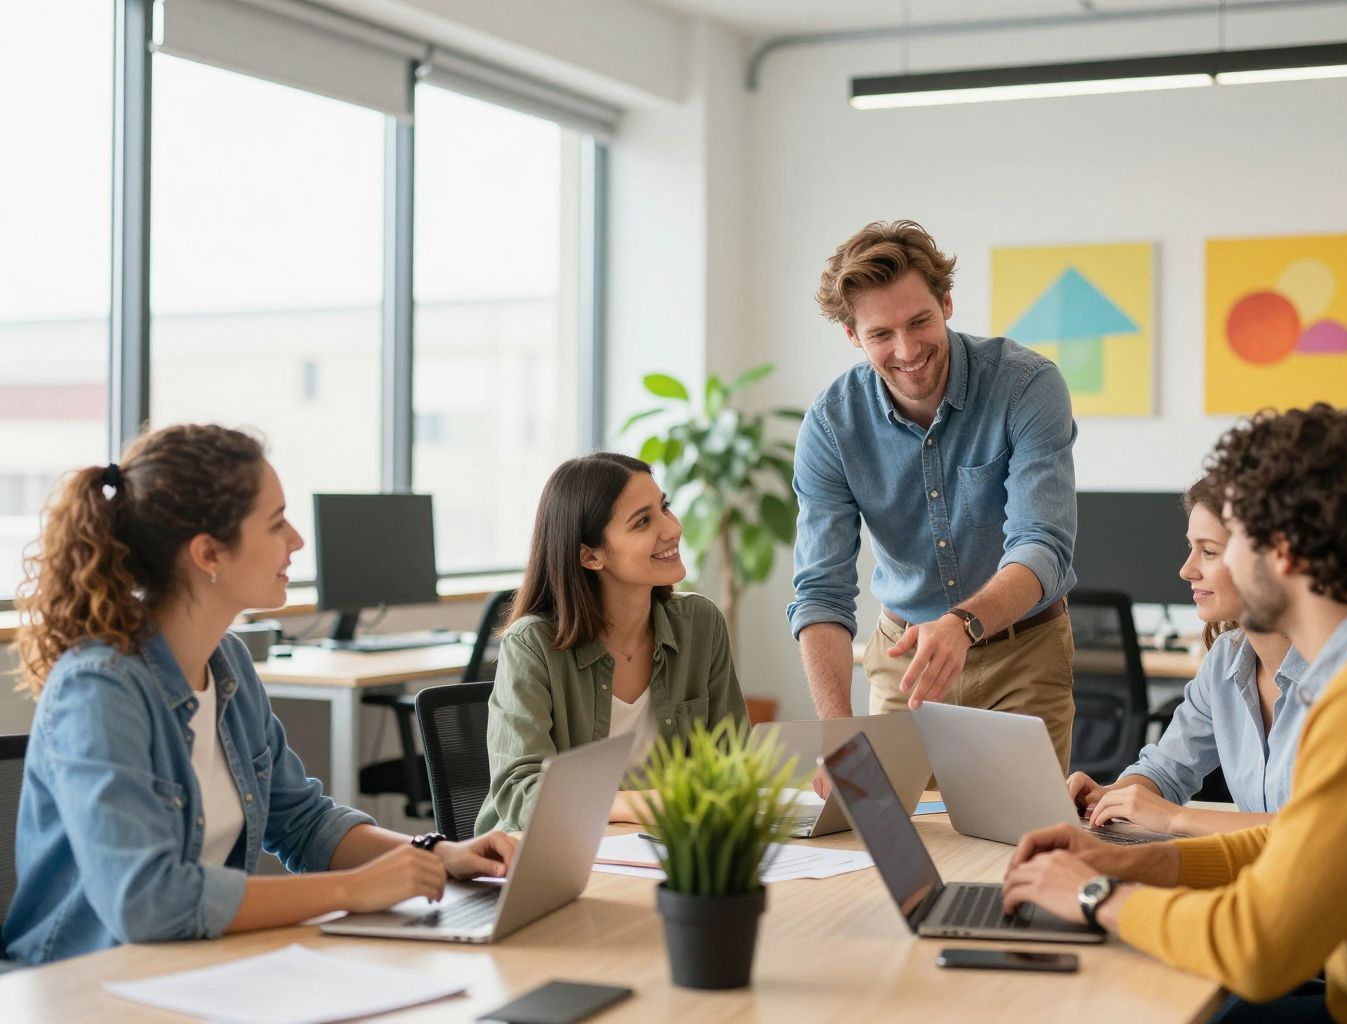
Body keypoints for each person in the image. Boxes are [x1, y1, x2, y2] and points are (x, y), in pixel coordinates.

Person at [1001, 405, 1347, 1023]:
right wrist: (1128, 860)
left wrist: (1093, 894)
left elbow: (1256, 948)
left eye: (1232, 541)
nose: (1201, 566)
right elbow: (1295, 841)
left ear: (1280, 549)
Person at [3, 425, 518, 966]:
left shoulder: (227, 664)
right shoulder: (101, 689)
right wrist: (355, 889)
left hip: (190, 969)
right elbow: (146, 901)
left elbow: (302, 823)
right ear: (209, 554)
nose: (296, 540)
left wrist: (441, 854)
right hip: (81, 981)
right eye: (276, 523)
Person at [788, 219, 1079, 780]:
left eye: (920, 321)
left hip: (1023, 654)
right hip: (905, 665)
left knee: (1018, 848)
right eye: (880, 334)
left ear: (946, 303)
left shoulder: (1026, 386)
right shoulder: (830, 426)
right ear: (853, 336)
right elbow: (821, 590)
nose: (906, 350)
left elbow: (1042, 546)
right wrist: (836, 728)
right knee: (887, 841)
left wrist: (963, 623)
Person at [475, 452, 747, 835]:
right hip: (550, 854)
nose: (671, 528)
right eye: (643, 522)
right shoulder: (532, 644)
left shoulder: (701, 624)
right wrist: (642, 803)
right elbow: (520, 791)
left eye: (664, 508)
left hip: (668, 847)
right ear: (590, 555)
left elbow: (732, 760)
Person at [1068, 474, 1309, 837]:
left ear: (1273, 558)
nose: (1186, 570)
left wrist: (1174, 818)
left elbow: (1323, 830)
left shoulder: (1340, 675)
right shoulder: (1225, 661)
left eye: (1208, 551)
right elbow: (1166, 769)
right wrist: (1110, 797)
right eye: (1191, 548)